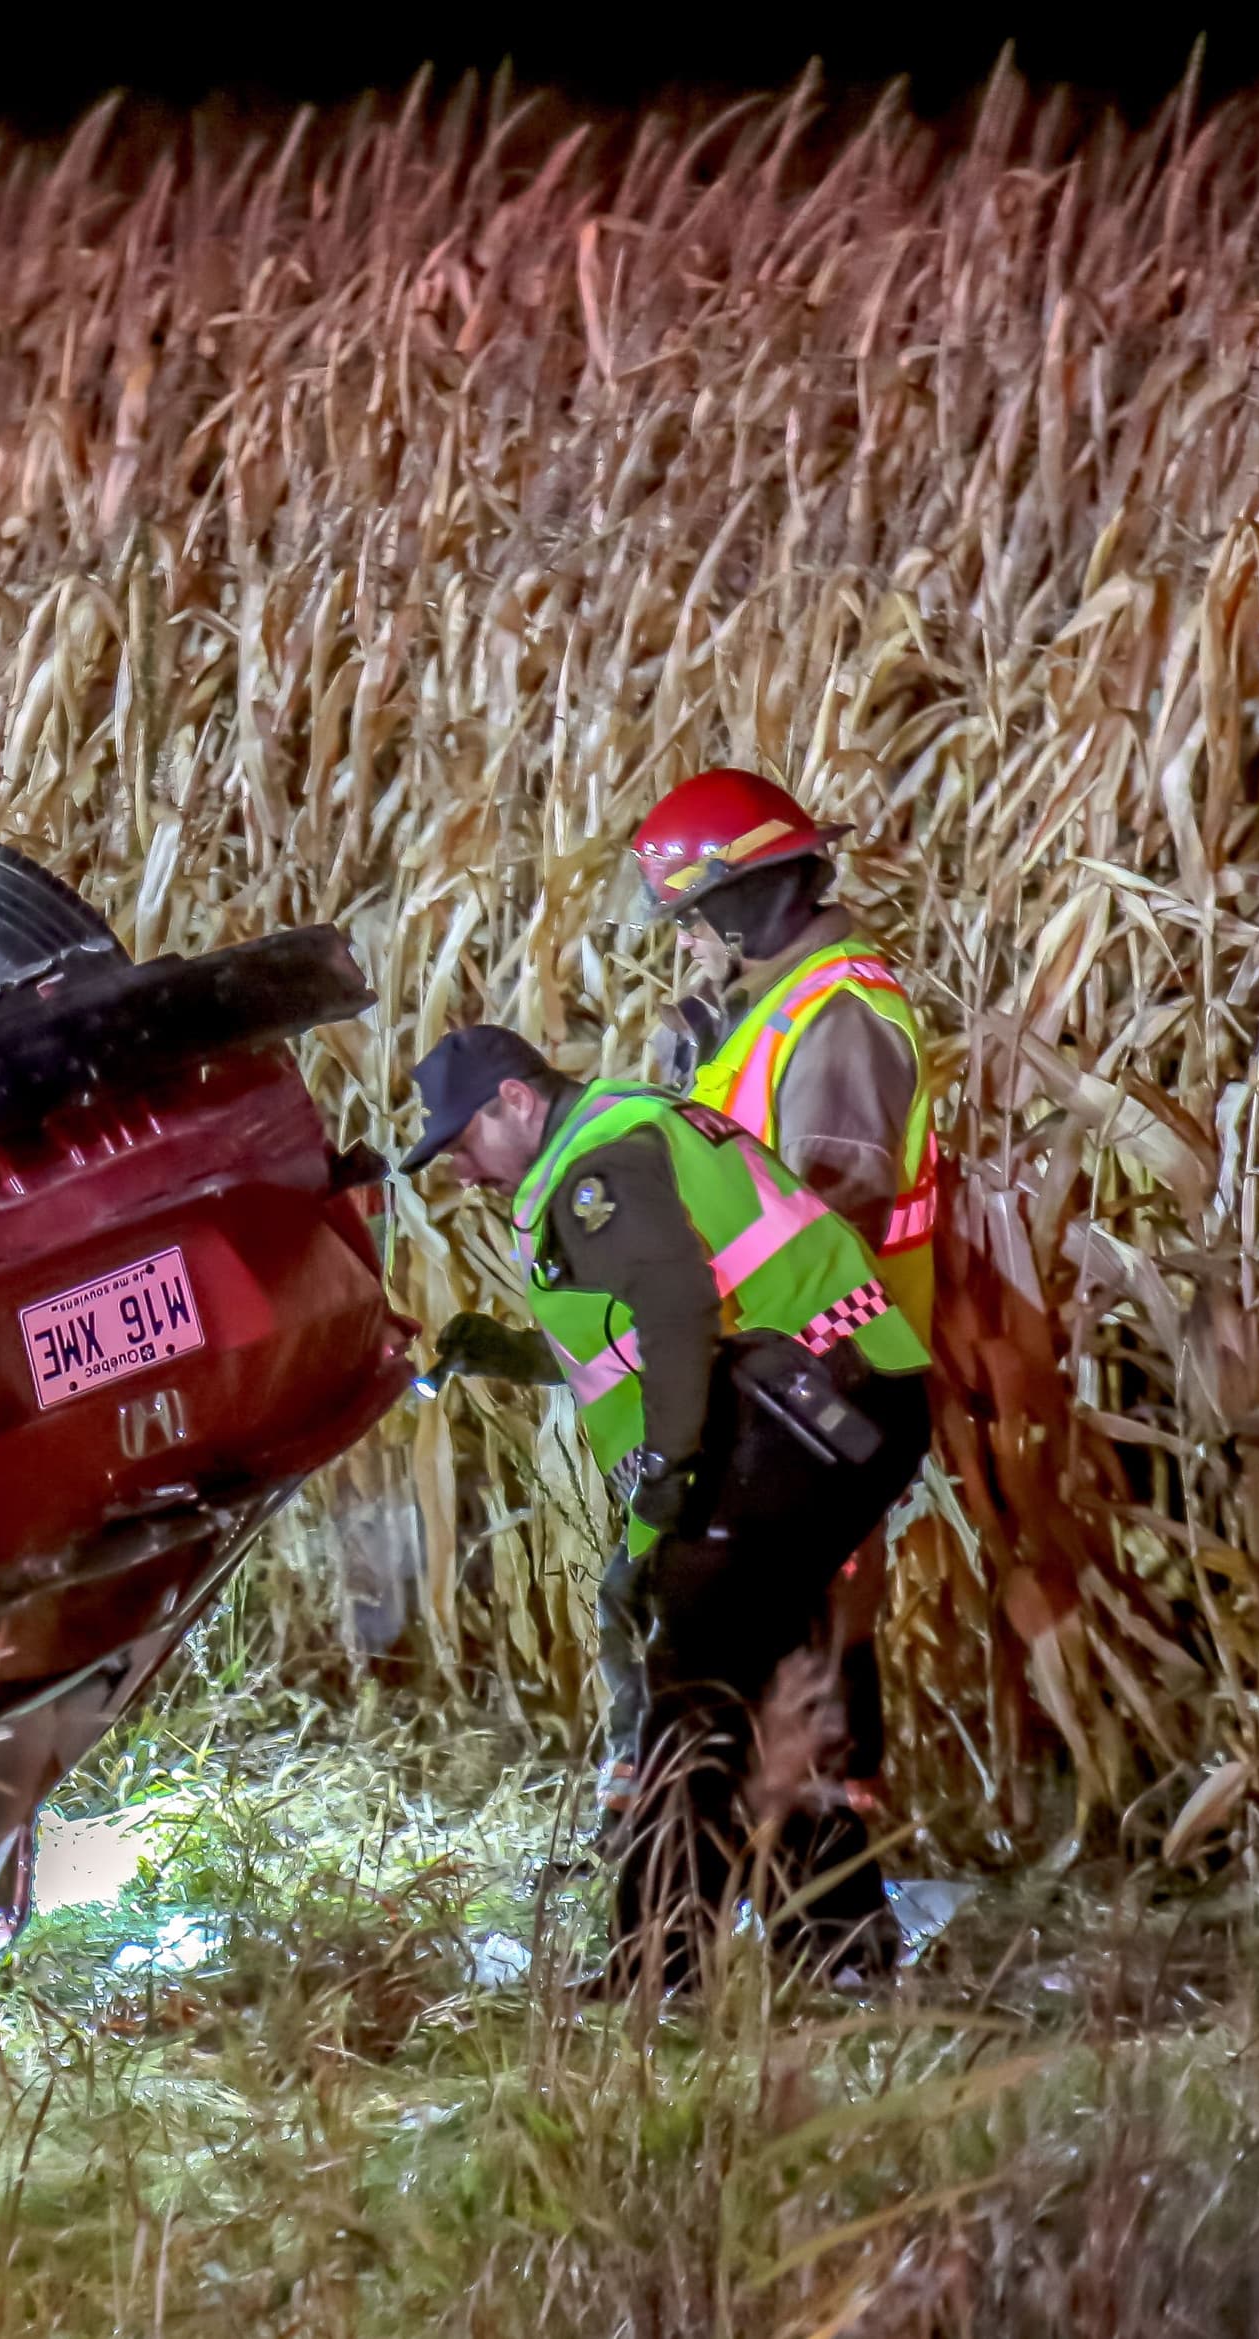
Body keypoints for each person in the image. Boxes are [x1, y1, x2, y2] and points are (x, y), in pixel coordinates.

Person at [404, 1026, 932, 1989]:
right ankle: (838, 1945)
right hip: (841, 1398)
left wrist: (673, 1479)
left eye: (464, 1141)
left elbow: (682, 1311)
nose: (461, 1170)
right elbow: (632, 1331)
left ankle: (659, 1962)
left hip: (808, 1413)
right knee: (763, 1672)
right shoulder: (622, 1129)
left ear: (516, 1100)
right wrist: (511, 1355)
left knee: (693, 1672)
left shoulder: (596, 1165)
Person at [629, 767, 945, 1818]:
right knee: (797, 1616)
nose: (683, 941)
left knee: (805, 1616)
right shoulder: (767, 1011)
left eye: (690, 918)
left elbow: (819, 1209)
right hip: (782, 1368)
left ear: (745, 896)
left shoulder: (839, 1015)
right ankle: (811, 1880)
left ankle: (830, 1892)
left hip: (825, 1373)